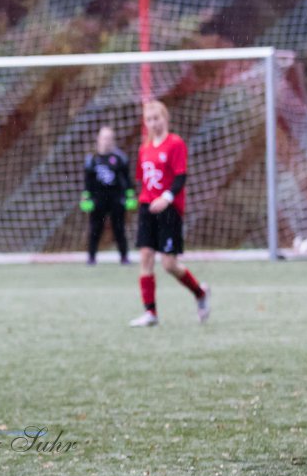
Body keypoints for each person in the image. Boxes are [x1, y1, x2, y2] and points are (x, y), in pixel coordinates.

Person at [129, 100, 210, 327]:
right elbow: (141, 179)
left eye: (157, 118)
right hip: (148, 207)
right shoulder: (144, 148)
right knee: (145, 257)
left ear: (165, 118)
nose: (153, 123)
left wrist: (166, 198)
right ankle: (150, 313)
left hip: (169, 209)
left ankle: (200, 293)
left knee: (168, 264)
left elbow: (180, 176)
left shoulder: (175, 144)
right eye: (149, 119)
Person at [80, 125, 134, 265]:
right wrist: (86, 196)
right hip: (98, 198)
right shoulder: (91, 159)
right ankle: (91, 257)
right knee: (95, 228)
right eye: (104, 138)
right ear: (98, 139)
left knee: (119, 228)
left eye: (110, 138)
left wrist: (130, 195)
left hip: (116, 198)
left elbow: (127, 179)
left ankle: (124, 256)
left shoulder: (120, 157)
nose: (107, 141)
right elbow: (88, 181)